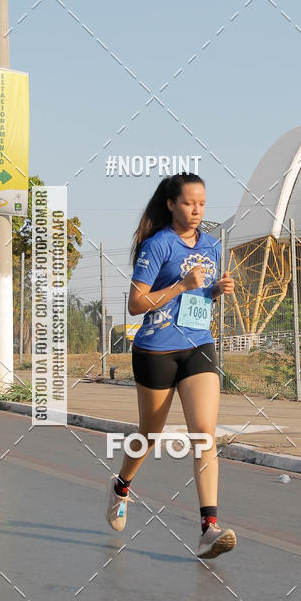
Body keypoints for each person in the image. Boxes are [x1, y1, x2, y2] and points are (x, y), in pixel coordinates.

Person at [105, 172, 237, 559]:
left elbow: (201, 298)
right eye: (188, 203)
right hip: (156, 350)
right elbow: (136, 304)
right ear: (171, 205)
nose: (196, 210)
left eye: (202, 204)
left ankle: (209, 528)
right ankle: (121, 486)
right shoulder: (157, 245)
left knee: (204, 434)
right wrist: (180, 285)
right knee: (149, 434)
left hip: (198, 345)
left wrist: (215, 290)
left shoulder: (213, 246)